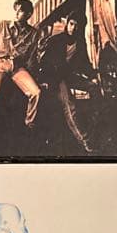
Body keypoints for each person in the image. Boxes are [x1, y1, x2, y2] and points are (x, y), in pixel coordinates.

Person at [0, 0, 43, 136]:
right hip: (0, 64)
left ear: (28, 14)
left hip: (18, 67)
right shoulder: (2, 25)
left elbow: (31, 58)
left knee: (36, 93)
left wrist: (35, 77)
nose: (16, 13)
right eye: (16, 10)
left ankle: (29, 126)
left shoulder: (34, 33)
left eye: (20, 11)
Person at [35, 13, 94, 153]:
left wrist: (93, 76)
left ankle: (97, 128)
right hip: (55, 78)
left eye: (77, 25)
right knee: (69, 105)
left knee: (95, 88)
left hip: (69, 76)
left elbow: (85, 62)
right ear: (67, 24)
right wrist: (45, 80)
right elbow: (44, 63)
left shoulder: (80, 42)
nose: (73, 28)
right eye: (71, 24)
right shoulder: (56, 40)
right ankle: (85, 141)